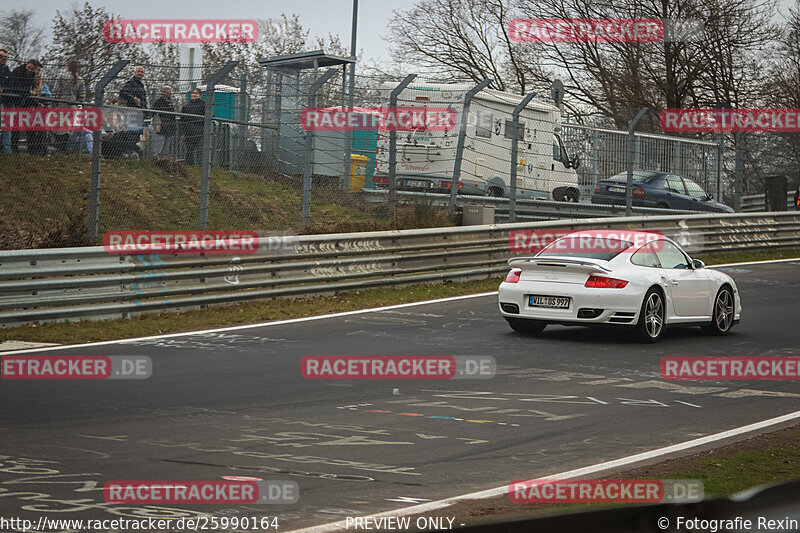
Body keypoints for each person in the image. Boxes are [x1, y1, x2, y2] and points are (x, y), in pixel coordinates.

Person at [52, 60, 90, 154]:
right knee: (68, 128)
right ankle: (64, 148)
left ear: (68, 67)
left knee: (59, 128)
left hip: (60, 105)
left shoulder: (61, 76)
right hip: (72, 108)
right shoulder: (80, 80)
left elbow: (55, 91)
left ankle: (60, 147)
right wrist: (76, 103)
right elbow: (82, 96)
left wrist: (54, 102)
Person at [8, 59, 41, 153]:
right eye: (29, 67)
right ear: (27, 64)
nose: (29, 70)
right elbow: (16, 86)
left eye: (32, 69)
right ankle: (14, 148)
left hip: (25, 102)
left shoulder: (31, 75)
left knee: (28, 126)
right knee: (16, 126)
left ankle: (31, 149)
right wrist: (26, 92)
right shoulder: (18, 71)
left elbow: (29, 87)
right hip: (16, 101)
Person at [181, 88, 206, 165]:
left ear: (200, 95)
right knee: (189, 147)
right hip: (187, 129)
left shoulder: (203, 104)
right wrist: (182, 132)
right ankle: (190, 163)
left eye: (196, 93)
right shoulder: (187, 106)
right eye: (193, 93)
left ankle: (192, 162)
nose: (194, 95)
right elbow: (182, 119)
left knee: (194, 146)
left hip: (198, 128)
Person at [150, 86, 175, 158]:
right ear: (162, 93)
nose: (166, 94)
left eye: (168, 93)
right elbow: (154, 114)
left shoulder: (170, 103)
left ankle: (164, 161)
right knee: (159, 145)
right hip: (161, 127)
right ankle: (156, 159)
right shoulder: (158, 102)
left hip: (169, 127)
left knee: (166, 147)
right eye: (165, 92)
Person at [0, 49, 12, 153]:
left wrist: (4, 89)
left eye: (6, 57)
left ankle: (7, 149)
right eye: (2, 56)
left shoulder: (7, 70)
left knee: (6, 126)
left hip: (5, 101)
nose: (4, 59)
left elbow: (10, 85)